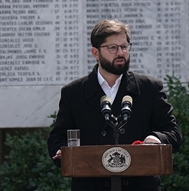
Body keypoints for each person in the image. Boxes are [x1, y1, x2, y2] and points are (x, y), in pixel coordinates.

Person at [47, 20, 182, 190]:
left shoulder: (149, 88)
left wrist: (156, 138)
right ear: (95, 53)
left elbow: (173, 133)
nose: (120, 53)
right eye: (112, 48)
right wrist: (63, 151)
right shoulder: (74, 93)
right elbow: (57, 137)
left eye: (124, 47)